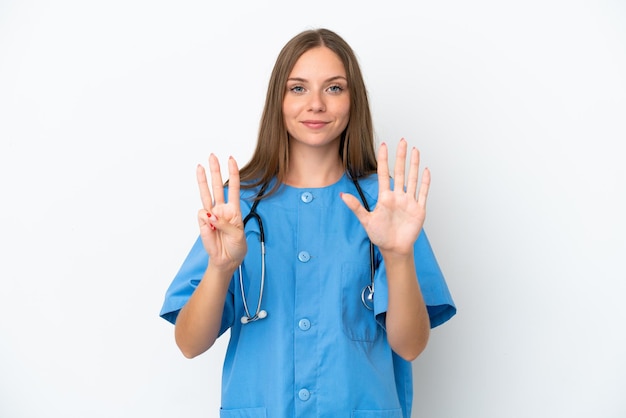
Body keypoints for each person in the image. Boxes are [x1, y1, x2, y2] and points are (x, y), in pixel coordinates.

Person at [160, 28, 456, 418]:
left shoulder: (385, 205)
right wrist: (220, 268)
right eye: (298, 88)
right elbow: (189, 343)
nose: (315, 104)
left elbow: (411, 346)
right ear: (278, 101)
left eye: (334, 88)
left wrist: (399, 256)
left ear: (354, 102)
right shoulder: (240, 205)